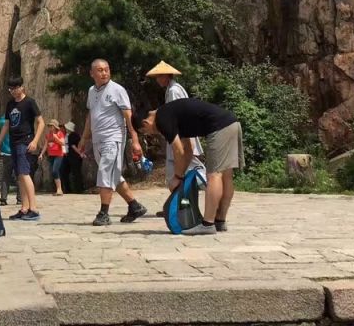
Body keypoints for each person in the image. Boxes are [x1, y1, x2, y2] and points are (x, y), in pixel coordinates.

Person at [134, 97, 243, 235]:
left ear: (145, 123)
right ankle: (220, 221)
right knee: (226, 175)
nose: (150, 134)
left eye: (145, 132)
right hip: (231, 123)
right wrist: (182, 174)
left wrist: (178, 177)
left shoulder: (162, 119)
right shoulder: (171, 114)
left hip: (219, 127)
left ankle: (208, 224)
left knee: (214, 175)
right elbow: (188, 150)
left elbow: (178, 151)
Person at [80, 59, 147, 227]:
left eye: (107, 70)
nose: (104, 73)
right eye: (100, 70)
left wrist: (135, 139)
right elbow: (91, 116)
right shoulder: (91, 91)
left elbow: (128, 116)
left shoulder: (117, 90)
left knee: (105, 171)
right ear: (92, 73)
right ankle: (134, 206)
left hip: (114, 138)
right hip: (97, 139)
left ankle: (104, 213)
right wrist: (83, 139)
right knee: (113, 175)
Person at [146, 62, 206, 195]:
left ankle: (181, 203)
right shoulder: (171, 89)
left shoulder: (174, 90)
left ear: (167, 76)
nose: (158, 80)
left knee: (186, 170)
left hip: (181, 135)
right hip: (179, 134)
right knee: (176, 171)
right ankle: (176, 202)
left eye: (160, 76)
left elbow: (176, 114)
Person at [0, 77, 43, 221]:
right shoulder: (10, 104)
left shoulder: (29, 102)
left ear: (22, 87)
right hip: (13, 143)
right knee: (19, 176)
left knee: (24, 173)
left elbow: (41, 122)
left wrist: (35, 141)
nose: (13, 91)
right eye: (11, 89)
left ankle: (33, 208)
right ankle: (24, 207)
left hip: (25, 141)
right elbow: (7, 125)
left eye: (15, 88)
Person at [0, 114, 15, 206]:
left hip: (6, 152)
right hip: (15, 151)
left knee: (6, 177)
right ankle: (20, 198)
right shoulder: (14, 121)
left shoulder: (2, 121)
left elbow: (2, 122)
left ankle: (3, 198)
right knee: (19, 176)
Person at [45, 119, 66, 196]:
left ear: (55, 127)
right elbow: (45, 145)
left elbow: (63, 143)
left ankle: (59, 189)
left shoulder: (60, 133)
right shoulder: (48, 134)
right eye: (49, 126)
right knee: (54, 172)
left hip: (58, 155)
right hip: (51, 155)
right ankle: (59, 189)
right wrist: (41, 153)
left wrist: (56, 138)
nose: (50, 127)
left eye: (51, 126)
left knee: (55, 170)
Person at [63, 122, 83, 194]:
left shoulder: (71, 135)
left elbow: (73, 146)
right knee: (76, 172)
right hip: (74, 156)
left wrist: (80, 153)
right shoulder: (76, 135)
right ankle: (78, 189)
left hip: (73, 156)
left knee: (72, 172)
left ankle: (72, 189)